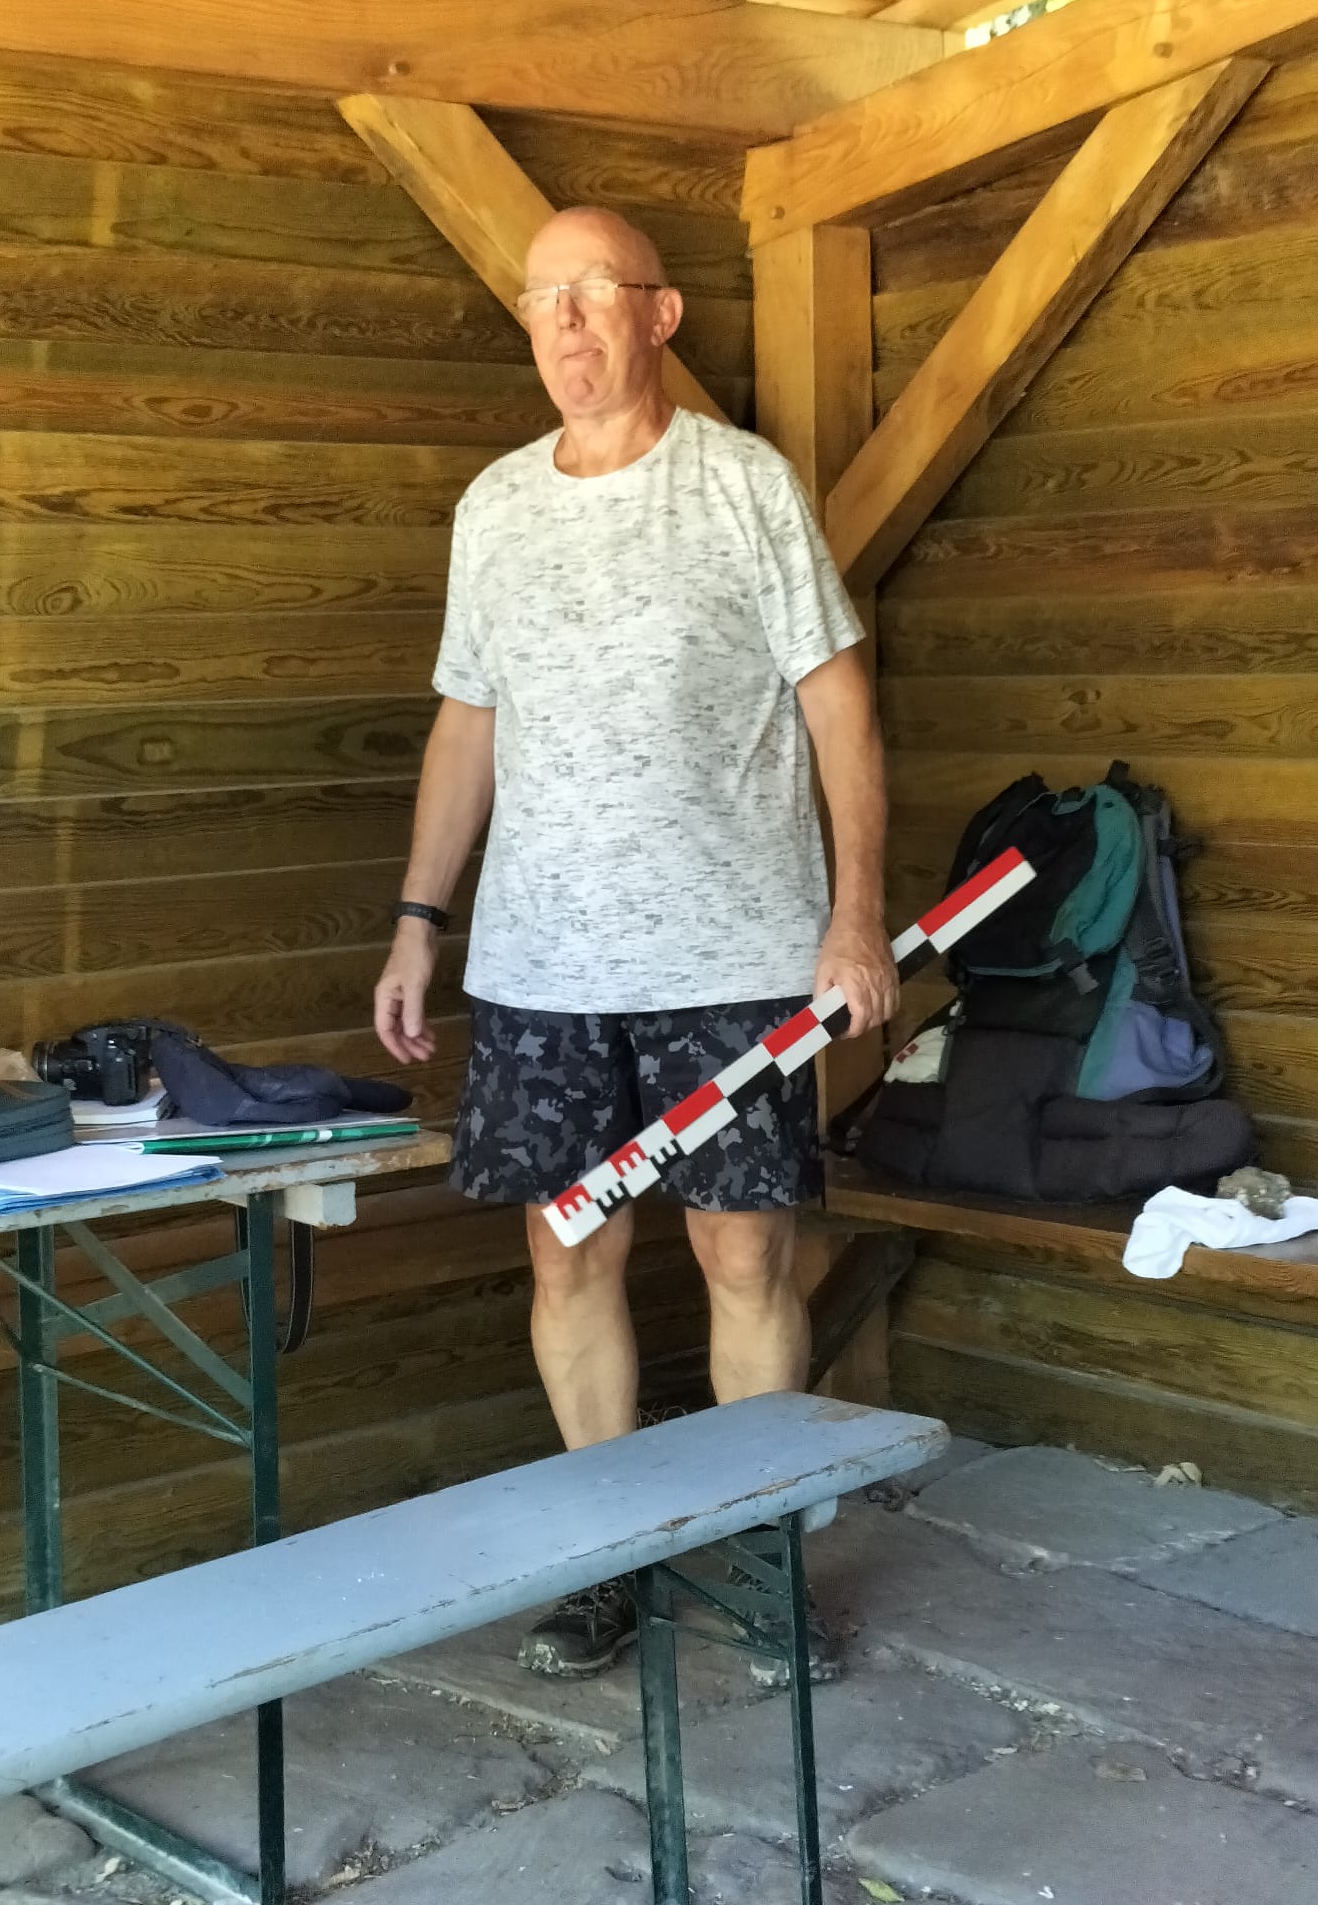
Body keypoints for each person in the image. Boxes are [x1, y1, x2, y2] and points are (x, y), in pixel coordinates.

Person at [374, 206, 898, 1680]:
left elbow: (839, 707)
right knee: (568, 1261)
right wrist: (419, 922)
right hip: (541, 971)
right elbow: (466, 724)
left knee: (746, 1259)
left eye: (593, 293)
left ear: (659, 316)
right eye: (542, 299)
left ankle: (761, 1564)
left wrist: (857, 917)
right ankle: (611, 1558)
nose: (564, 325)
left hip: (732, 962)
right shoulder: (493, 507)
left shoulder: (742, 485)